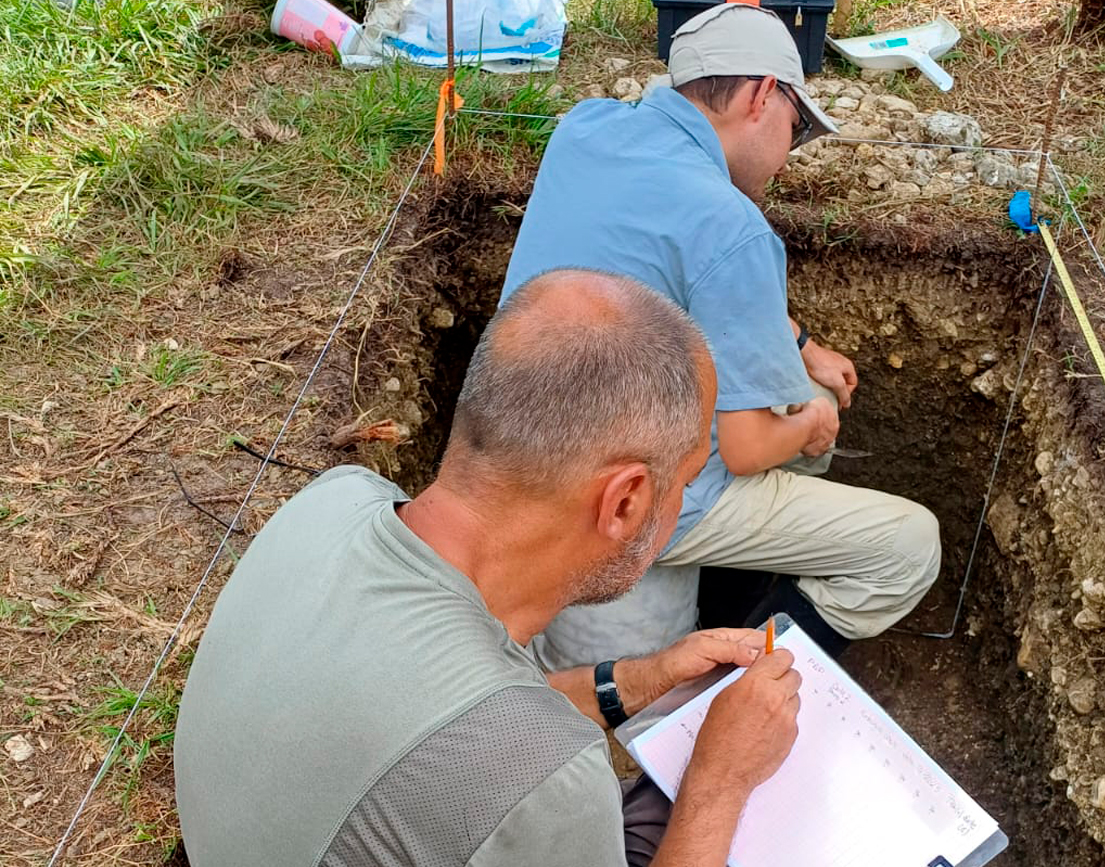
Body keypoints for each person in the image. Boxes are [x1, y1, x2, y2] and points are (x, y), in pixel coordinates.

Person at [173, 269, 801, 867]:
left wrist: (640, 680)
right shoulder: (547, 785)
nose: (684, 501)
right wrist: (720, 783)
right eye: (687, 481)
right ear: (626, 501)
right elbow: (501, 763)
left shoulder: (335, 499)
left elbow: (444, 734)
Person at [502, 4, 942, 656]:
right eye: (795, 130)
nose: (788, 160)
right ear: (764, 94)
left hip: (514, 456)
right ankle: (728, 673)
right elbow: (744, 448)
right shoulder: (731, 222)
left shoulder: (584, 130)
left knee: (795, 399)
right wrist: (811, 426)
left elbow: (671, 262)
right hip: (625, 505)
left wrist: (802, 346)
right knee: (908, 543)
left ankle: (723, 604)